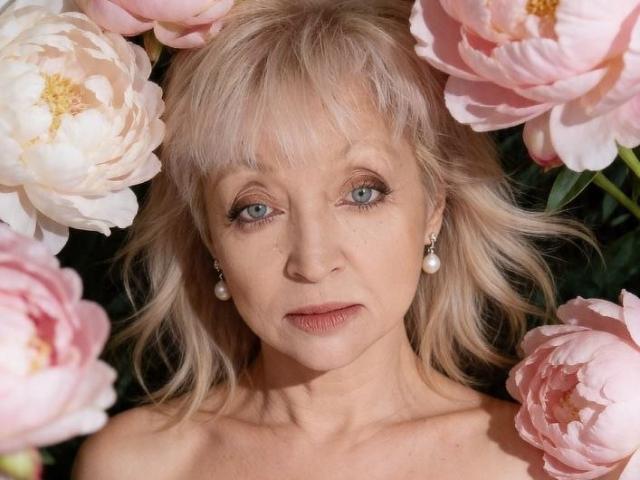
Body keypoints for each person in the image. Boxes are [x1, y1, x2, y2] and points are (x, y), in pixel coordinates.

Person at [71, 0, 597, 478]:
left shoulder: (530, 466)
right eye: (257, 209)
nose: (314, 262)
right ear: (210, 237)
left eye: (361, 194)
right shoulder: (136, 465)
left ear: (434, 206)